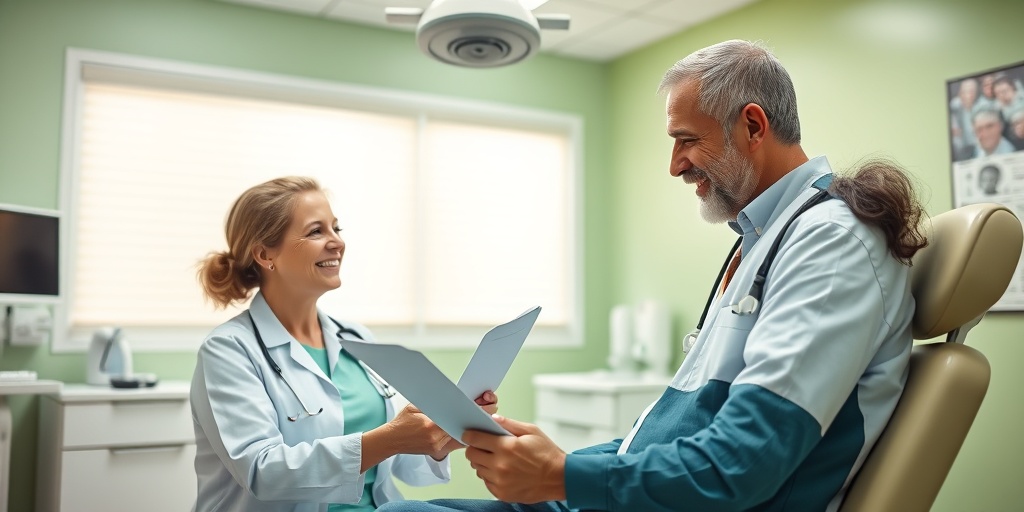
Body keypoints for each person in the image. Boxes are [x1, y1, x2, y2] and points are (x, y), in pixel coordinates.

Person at [377, 39, 927, 512]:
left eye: (686, 139)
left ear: (753, 124)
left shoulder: (830, 241)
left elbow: (741, 465)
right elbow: (686, 434)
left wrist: (564, 478)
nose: (676, 164)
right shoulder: (767, 240)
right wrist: (551, 467)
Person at [191, 176, 497, 512]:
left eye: (336, 228)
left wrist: (439, 437)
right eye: (316, 231)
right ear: (265, 254)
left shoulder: (356, 338)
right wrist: (390, 437)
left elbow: (396, 461)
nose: (337, 242)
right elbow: (262, 471)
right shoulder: (229, 350)